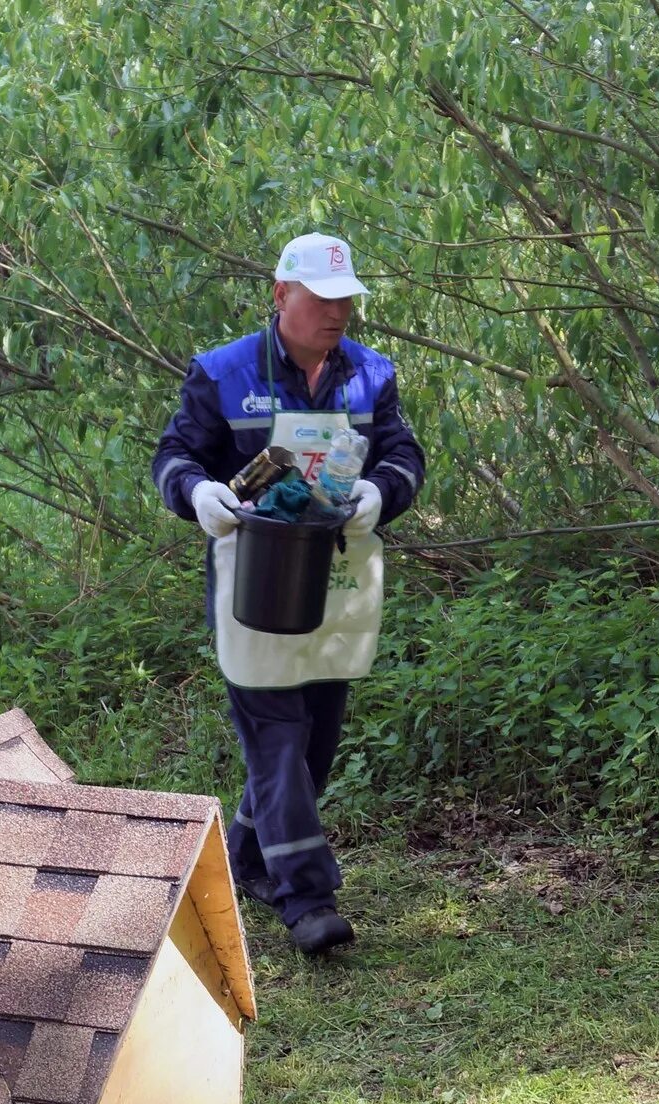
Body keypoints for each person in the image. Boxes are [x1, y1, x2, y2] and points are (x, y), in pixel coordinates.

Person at [151, 232, 425, 955]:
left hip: (337, 586)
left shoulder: (372, 374)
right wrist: (197, 492)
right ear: (281, 296)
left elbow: (404, 453)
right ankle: (306, 896)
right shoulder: (221, 372)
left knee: (318, 741)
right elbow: (174, 455)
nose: (338, 314)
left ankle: (246, 858)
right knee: (278, 737)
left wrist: (380, 491)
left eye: (348, 301)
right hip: (253, 586)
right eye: (323, 299)